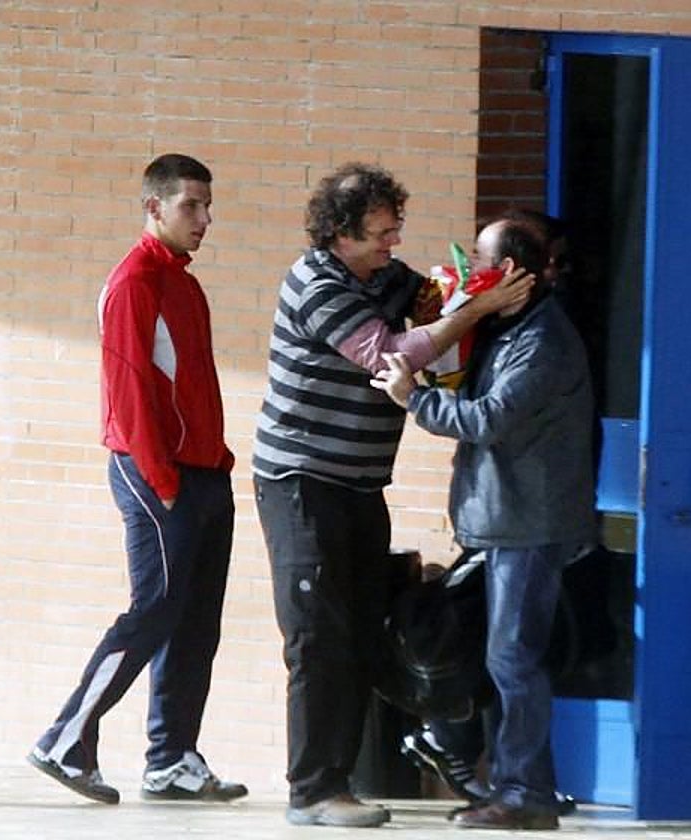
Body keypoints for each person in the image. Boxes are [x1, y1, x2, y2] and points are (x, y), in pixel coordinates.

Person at [252, 162, 533, 828]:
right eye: (381, 232)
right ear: (341, 233)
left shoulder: (385, 277)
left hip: (360, 483)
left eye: (394, 228)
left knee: (358, 632)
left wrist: (464, 292)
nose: (393, 242)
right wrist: (475, 310)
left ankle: (340, 781)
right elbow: (389, 354)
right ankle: (312, 790)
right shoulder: (316, 283)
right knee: (317, 637)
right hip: (303, 483)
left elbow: (431, 301)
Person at [27, 153, 246, 806]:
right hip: (156, 475)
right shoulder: (133, 283)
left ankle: (171, 759)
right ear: (154, 207)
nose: (204, 219)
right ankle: (65, 740)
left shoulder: (185, 283)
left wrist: (216, 465)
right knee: (153, 611)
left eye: (208, 206)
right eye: (190, 206)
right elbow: (127, 396)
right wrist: (164, 482)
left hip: (204, 475)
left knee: (196, 623)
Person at [371, 217, 597, 830]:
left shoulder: (543, 341)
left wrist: (412, 397)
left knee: (513, 660)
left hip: (529, 526)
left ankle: (526, 795)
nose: (468, 269)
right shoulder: (506, 328)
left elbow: (487, 419)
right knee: (492, 657)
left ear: (510, 271)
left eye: (478, 259)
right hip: (498, 521)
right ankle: (497, 777)